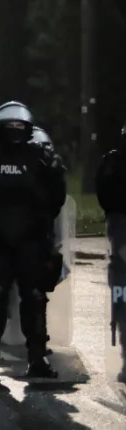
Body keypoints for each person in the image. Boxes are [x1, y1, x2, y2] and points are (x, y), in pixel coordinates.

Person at [0, 101, 68, 382]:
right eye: (11, 125)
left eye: (19, 125)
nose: (15, 129)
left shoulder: (40, 157)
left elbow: (57, 196)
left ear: (28, 127)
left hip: (30, 238)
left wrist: (39, 221)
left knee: (32, 296)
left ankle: (36, 358)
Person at [96, 120, 126, 382]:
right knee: (122, 294)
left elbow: (104, 197)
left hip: (119, 231)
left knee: (122, 293)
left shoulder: (113, 162)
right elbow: (105, 197)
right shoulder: (113, 162)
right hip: (121, 231)